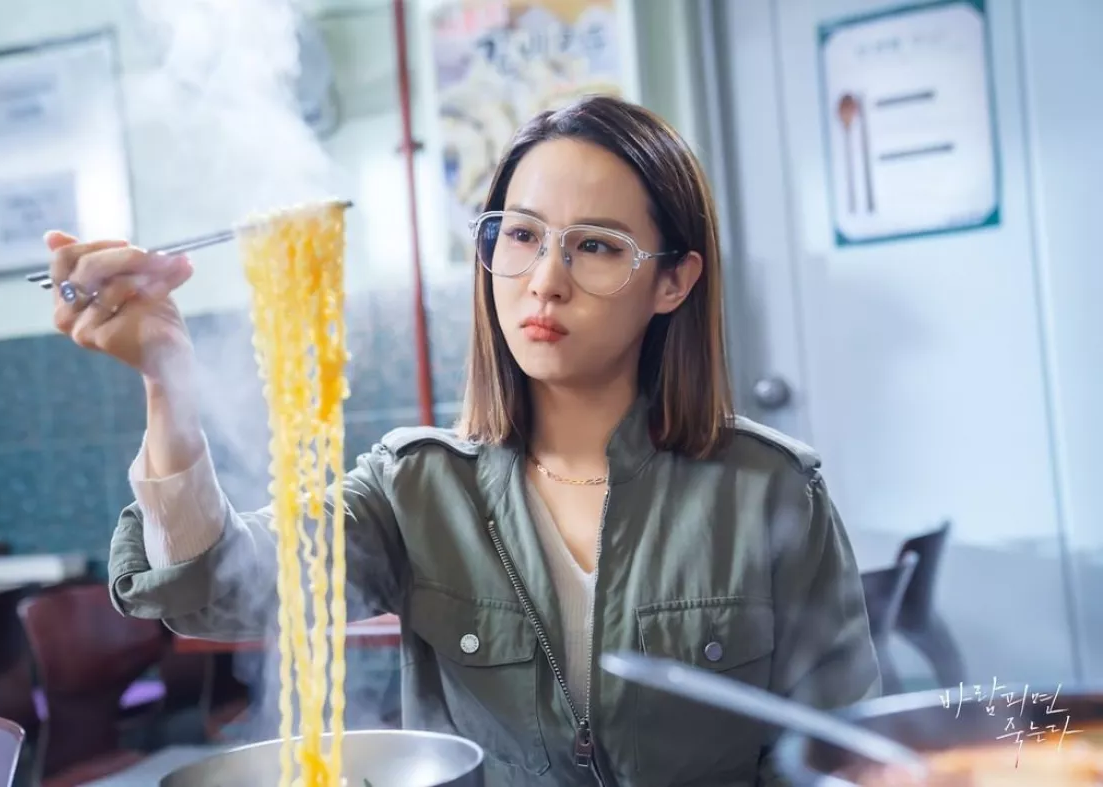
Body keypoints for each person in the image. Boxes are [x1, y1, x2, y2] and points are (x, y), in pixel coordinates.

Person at [47, 95, 880, 787]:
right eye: (519, 235)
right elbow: (215, 585)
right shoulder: (416, 490)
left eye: (596, 246)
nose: (545, 279)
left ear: (673, 280)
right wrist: (167, 379)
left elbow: (840, 755)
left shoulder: (770, 491)